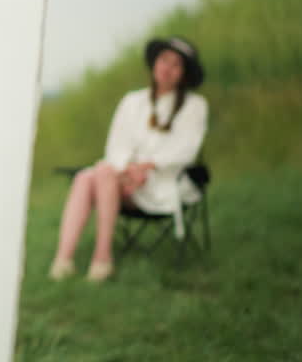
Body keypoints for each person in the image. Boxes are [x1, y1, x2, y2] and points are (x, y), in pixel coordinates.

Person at [49, 36, 208, 282]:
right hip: (121, 182)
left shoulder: (195, 106)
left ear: (184, 74)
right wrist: (126, 171)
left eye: (176, 64)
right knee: (87, 176)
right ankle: (65, 259)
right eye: (163, 60)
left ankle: (101, 258)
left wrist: (147, 168)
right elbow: (117, 145)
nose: (167, 68)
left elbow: (186, 150)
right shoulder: (132, 101)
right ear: (154, 64)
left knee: (97, 174)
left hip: (164, 184)